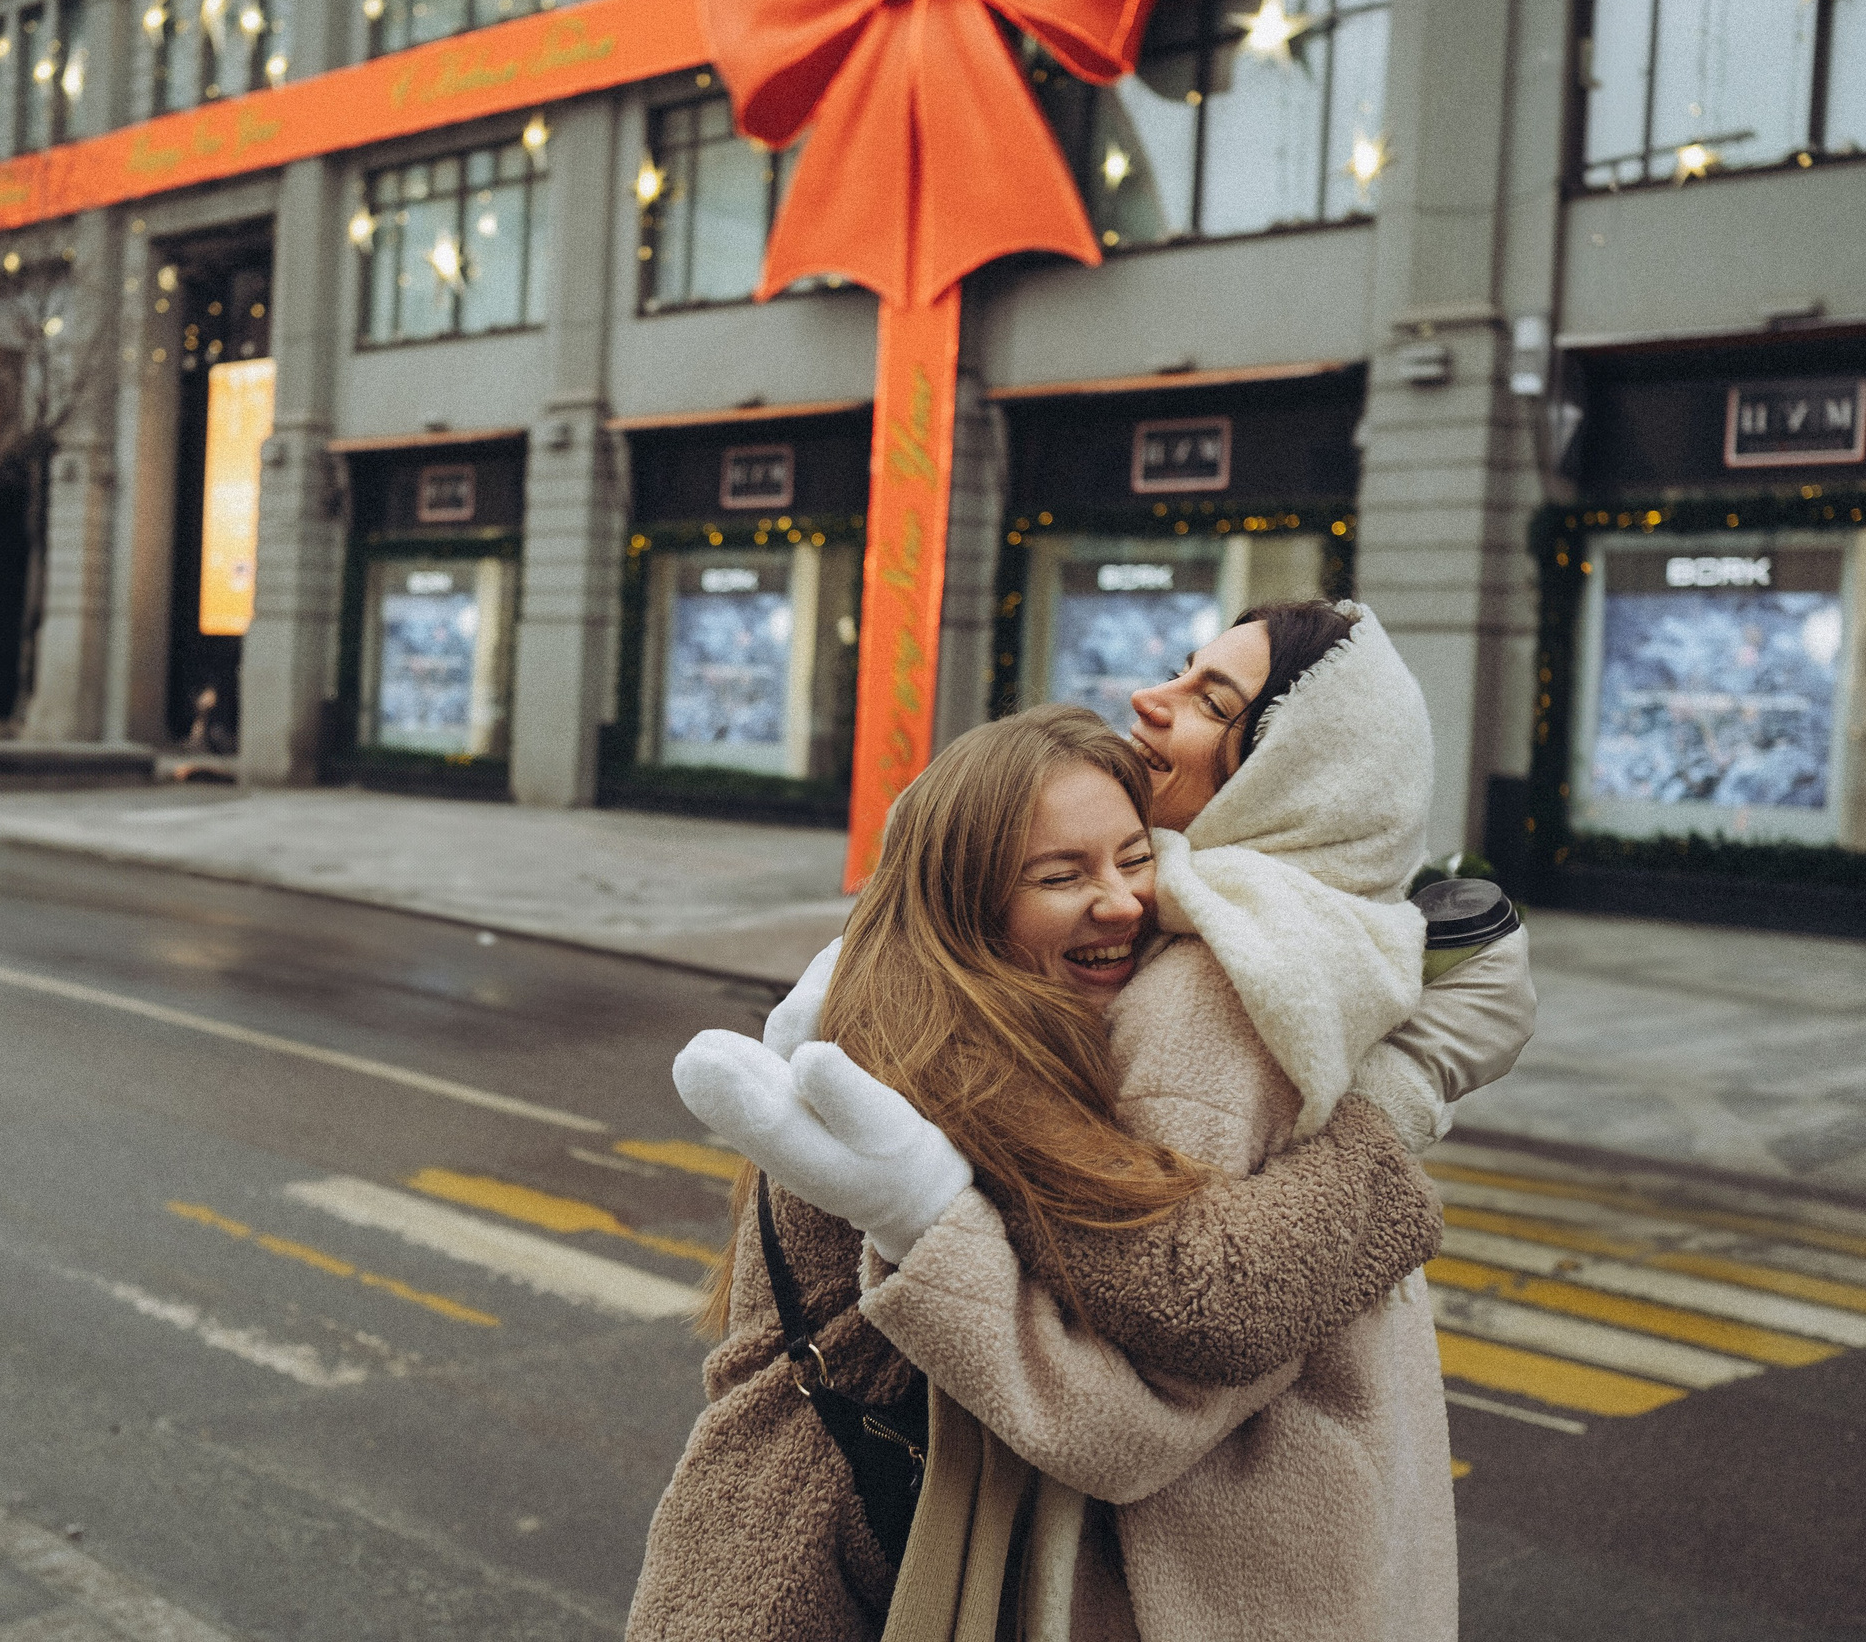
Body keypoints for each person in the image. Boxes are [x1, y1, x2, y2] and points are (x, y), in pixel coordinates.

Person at [643, 602, 1531, 1640]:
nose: (1150, 695)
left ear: (1297, 766)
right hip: (806, 1556)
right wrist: (1405, 1089)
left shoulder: (1150, 984)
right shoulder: (1004, 1035)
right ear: (969, 897)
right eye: (1061, 873)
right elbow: (1195, 1306)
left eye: (1210, 698)